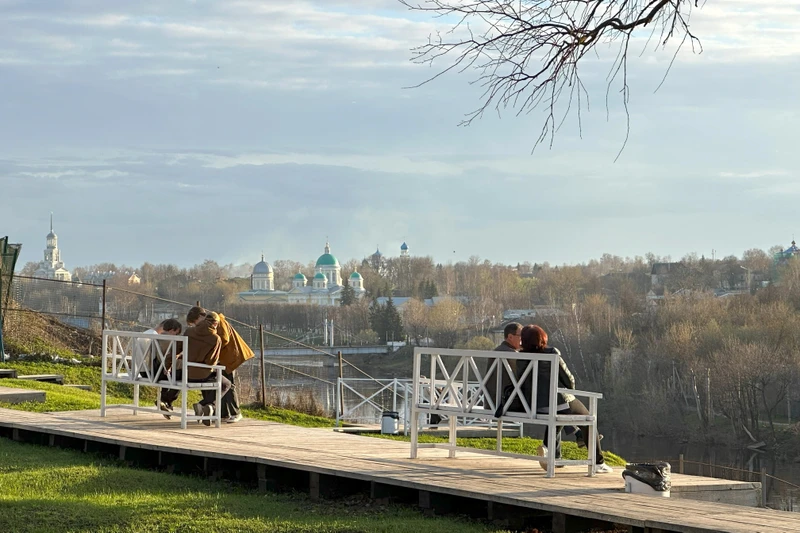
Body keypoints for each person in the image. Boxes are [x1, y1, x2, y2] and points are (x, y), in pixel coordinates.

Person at [519, 324, 612, 474]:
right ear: (542, 338)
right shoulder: (552, 352)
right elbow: (569, 381)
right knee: (589, 421)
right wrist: (569, 389)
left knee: (557, 414)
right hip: (557, 403)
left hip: (533, 405)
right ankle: (598, 463)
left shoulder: (520, 356)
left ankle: (552, 453)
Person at [161, 312, 232, 426]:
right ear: (215, 324)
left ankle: (205, 405)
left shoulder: (189, 332)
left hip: (187, 373)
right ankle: (207, 405)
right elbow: (211, 362)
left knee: (216, 380)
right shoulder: (215, 338)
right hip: (203, 376)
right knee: (226, 384)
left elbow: (175, 351)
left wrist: (167, 367)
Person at [186, 306, 254, 423]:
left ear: (200, 317)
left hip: (230, 356)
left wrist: (212, 350)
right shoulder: (208, 325)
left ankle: (235, 412)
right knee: (218, 383)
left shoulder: (217, 320)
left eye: (194, 322)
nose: (195, 326)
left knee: (229, 384)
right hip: (219, 358)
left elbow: (224, 339)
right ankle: (221, 413)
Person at [485, 322, 521, 414]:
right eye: (520, 335)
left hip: (491, 402)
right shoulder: (512, 354)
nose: (522, 339)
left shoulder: (497, 350)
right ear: (510, 337)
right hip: (504, 403)